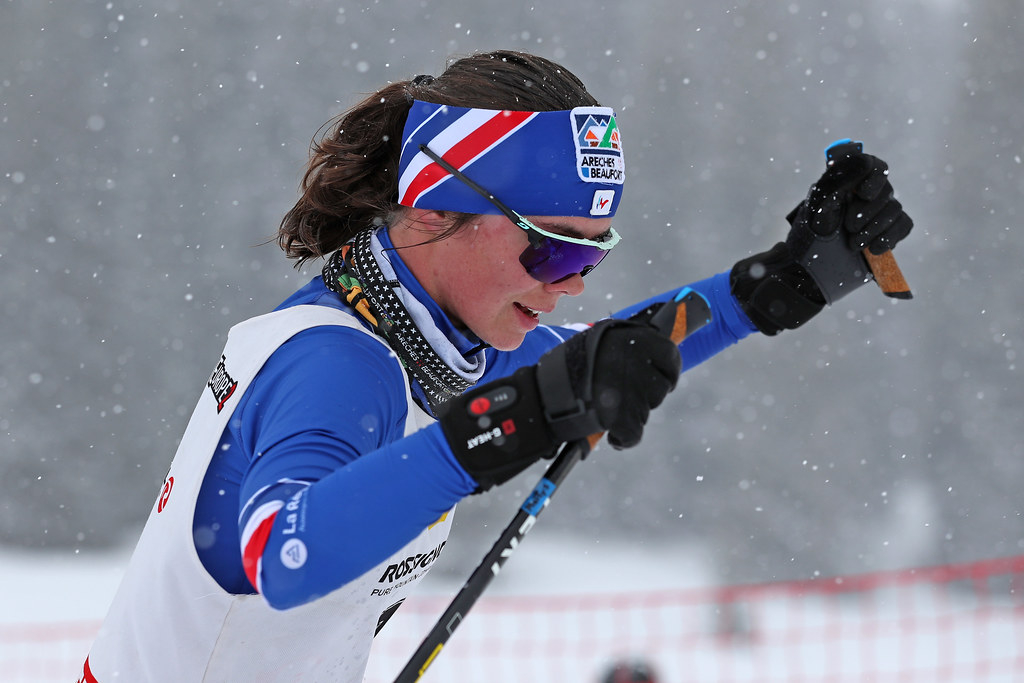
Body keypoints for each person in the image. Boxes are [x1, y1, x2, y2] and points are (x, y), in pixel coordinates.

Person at [80, 49, 912, 682]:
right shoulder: (336, 364)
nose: (570, 287)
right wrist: (508, 423)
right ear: (439, 211)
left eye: (591, 258)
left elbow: (626, 346)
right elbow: (282, 555)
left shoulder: (427, 339)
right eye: (550, 253)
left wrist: (792, 277)